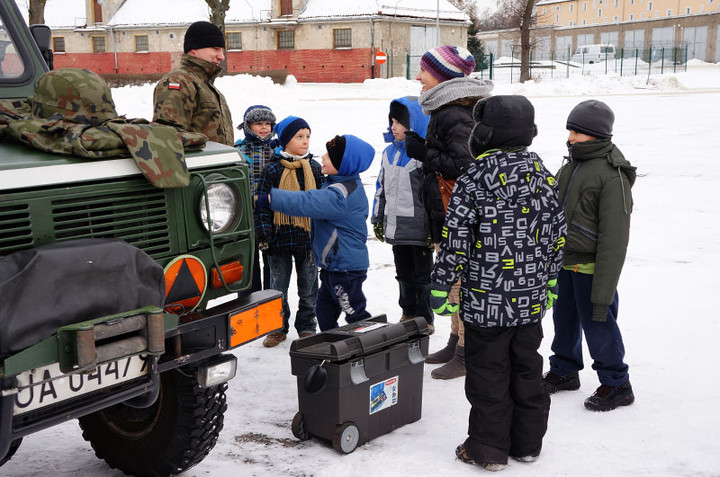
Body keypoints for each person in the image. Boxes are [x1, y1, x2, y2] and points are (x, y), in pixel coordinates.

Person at [430, 95, 566, 469]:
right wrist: (551, 279)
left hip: (486, 303)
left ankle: (488, 450)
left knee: (489, 374)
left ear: (485, 133)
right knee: (526, 370)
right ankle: (526, 444)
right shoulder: (542, 172)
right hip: (529, 302)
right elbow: (557, 233)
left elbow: (456, 237)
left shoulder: (475, 176)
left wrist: (442, 286)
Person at [404, 45, 493, 380]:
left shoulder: (453, 113)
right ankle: (455, 339)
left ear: (441, 77)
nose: (418, 77)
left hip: (455, 213)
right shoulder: (447, 108)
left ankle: (466, 353)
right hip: (446, 213)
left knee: (461, 283)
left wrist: (423, 153)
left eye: (424, 71)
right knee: (454, 281)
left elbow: (464, 164)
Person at [543, 99, 637, 412]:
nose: (570, 136)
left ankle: (617, 383)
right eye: (570, 129)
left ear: (596, 135)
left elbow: (615, 238)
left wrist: (605, 286)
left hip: (593, 267)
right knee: (564, 318)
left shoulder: (612, 176)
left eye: (578, 131)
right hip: (565, 261)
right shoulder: (571, 165)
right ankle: (564, 370)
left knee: (599, 321)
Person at [255, 135, 375, 331]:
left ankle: (373, 342)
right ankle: (332, 343)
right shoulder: (336, 185)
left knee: (354, 312)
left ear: (343, 165)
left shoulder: (340, 195)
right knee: (324, 310)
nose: (323, 157)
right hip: (332, 267)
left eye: (329, 156)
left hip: (345, 268)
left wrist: (271, 199)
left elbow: (306, 202)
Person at [254, 116, 323, 347]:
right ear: (285, 141)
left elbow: (322, 202)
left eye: (308, 137)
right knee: (277, 286)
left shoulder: (313, 168)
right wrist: (264, 234)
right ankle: (277, 327)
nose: (305, 142)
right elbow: (261, 205)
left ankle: (306, 326)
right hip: (278, 239)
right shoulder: (271, 169)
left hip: (308, 239)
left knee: (309, 285)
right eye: (299, 137)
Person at [371, 96, 434, 333]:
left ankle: (425, 318)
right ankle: (408, 311)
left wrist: (433, 231)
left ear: (415, 124)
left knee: (422, 277)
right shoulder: (388, 153)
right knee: (403, 275)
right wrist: (378, 218)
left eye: (400, 122)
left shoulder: (422, 154)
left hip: (419, 230)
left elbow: (431, 196)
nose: (393, 127)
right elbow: (381, 188)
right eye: (392, 121)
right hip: (396, 227)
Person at [153, 21, 234, 146]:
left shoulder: (204, 83)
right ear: (194, 49)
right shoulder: (178, 81)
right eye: (215, 49)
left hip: (217, 164)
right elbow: (169, 138)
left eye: (222, 51)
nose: (221, 57)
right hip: (196, 164)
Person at [235, 105, 277, 291]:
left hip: (270, 215)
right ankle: (247, 303)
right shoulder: (237, 150)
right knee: (248, 263)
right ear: (247, 126)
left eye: (268, 123)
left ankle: (272, 299)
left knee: (272, 263)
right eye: (258, 123)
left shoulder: (277, 150)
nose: (264, 127)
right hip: (245, 216)